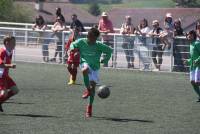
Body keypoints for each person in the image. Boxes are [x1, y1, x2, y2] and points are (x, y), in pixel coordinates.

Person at [69, 27, 113, 117]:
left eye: (91, 36)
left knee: (93, 88)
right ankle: (88, 90)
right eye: (88, 35)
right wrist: (74, 50)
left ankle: (89, 107)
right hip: (84, 63)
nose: (88, 37)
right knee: (85, 69)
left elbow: (109, 51)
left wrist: (105, 60)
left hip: (95, 67)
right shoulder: (82, 41)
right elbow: (72, 44)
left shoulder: (99, 45)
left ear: (95, 38)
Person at [0, 35, 19, 112]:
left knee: (15, 90)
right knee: (3, 94)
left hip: (5, 75)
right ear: (7, 43)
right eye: (13, 43)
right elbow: (0, 64)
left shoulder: (10, 51)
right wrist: (10, 65)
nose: (15, 44)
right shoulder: (2, 51)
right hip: (0, 76)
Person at [185, 30, 200, 102]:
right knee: (192, 81)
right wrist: (188, 61)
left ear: (194, 36)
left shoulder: (197, 43)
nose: (188, 36)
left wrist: (198, 60)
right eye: (187, 35)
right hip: (192, 66)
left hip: (198, 65)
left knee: (197, 82)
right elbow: (192, 57)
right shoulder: (191, 44)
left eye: (190, 35)